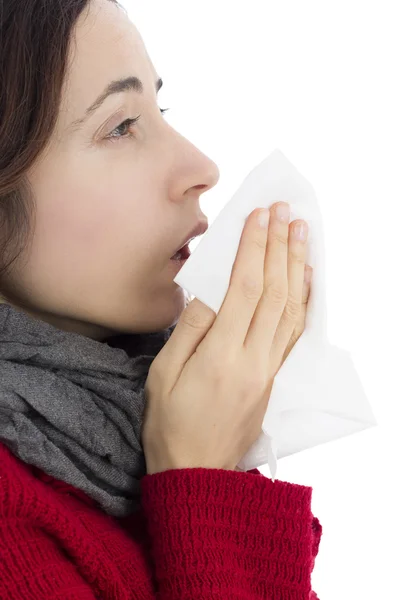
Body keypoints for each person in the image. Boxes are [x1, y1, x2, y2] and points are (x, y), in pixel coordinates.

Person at [0, 0, 323, 598]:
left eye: (161, 106)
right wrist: (201, 482)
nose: (202, 167)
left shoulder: (149, 402)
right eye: (120, 126)